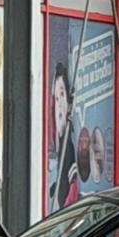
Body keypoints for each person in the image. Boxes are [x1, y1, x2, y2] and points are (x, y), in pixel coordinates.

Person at [49, 62, 78, 209]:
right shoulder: (57, 147)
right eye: (57, 98)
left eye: (62, 95)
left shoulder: (70, 151)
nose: (60, 104)